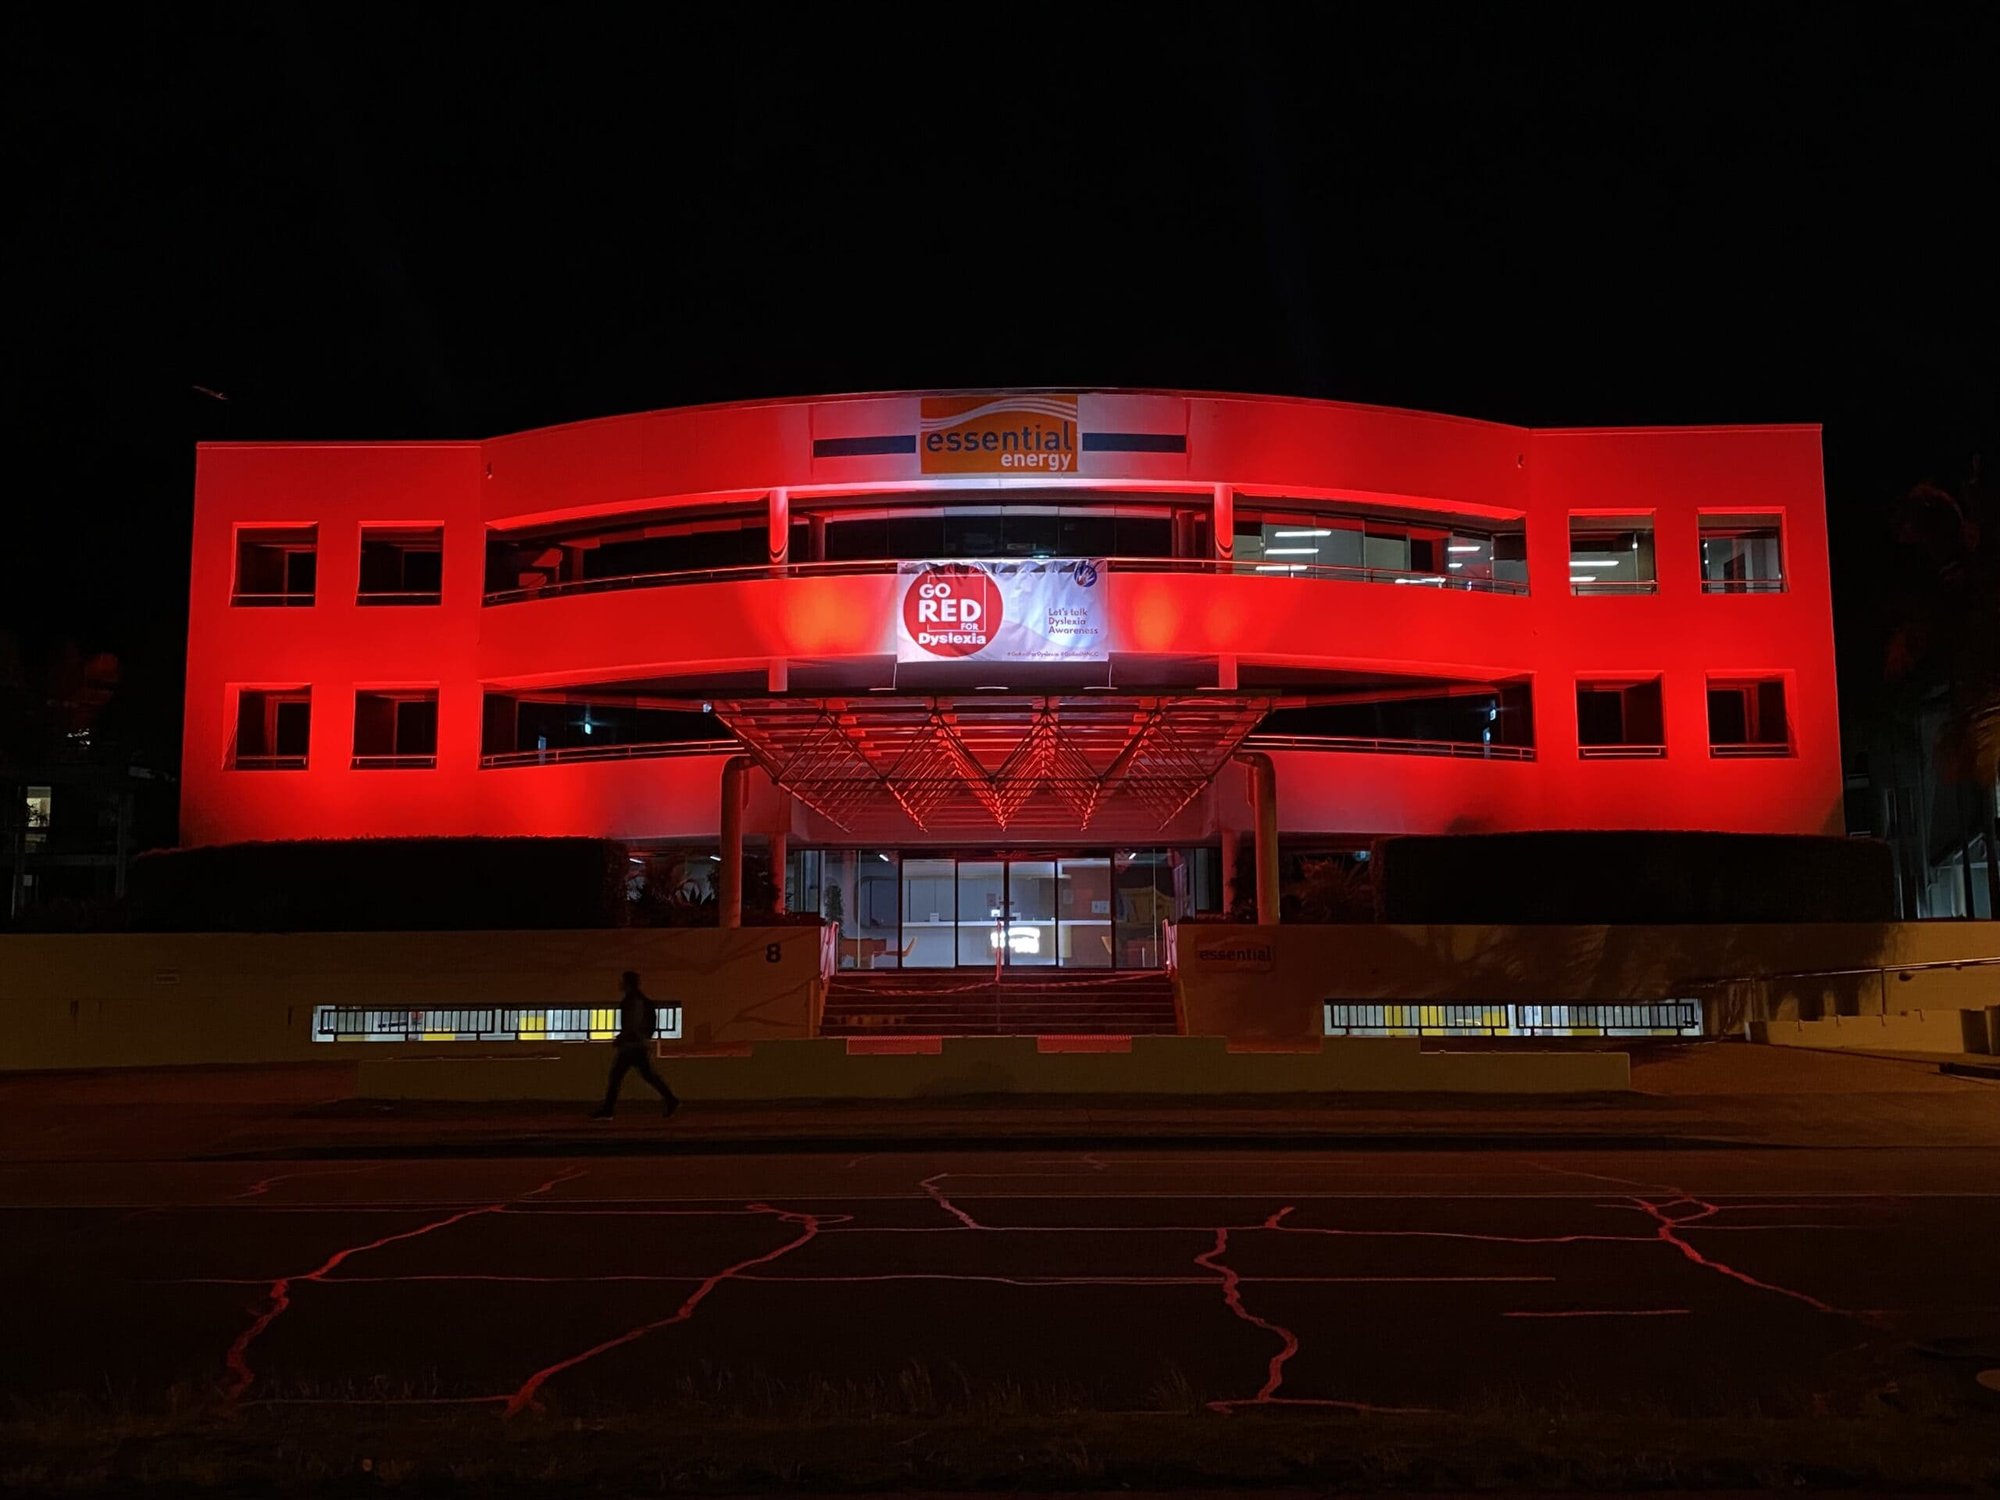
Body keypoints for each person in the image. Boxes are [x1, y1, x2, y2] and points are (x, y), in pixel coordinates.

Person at [591, 970, 679, 1119]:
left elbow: (632, 1024)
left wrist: (622, 1038)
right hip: (637, 1044)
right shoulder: (641, 1000)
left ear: (627, 983)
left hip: (632, 1045)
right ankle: (671, 1099)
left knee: (617, 1076)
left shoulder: (632, 1001)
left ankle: (608, 1110)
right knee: (647, 1075)